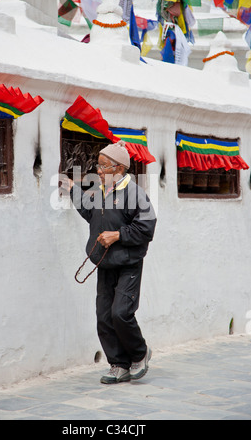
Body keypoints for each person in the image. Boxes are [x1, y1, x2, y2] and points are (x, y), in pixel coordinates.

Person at [62, 140, 157, 384]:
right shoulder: (98, 191)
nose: (99, 171)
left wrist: (118, 235)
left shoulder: (135, 193)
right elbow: (88, 212)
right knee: (104, 317)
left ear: (119, 168)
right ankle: (118, 364)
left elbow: (146, 228)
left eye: (103, 167)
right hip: (104, 263)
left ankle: (139, 353)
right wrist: (72, 188)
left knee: (121, 313)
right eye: (99, 165)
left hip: (128, 263)